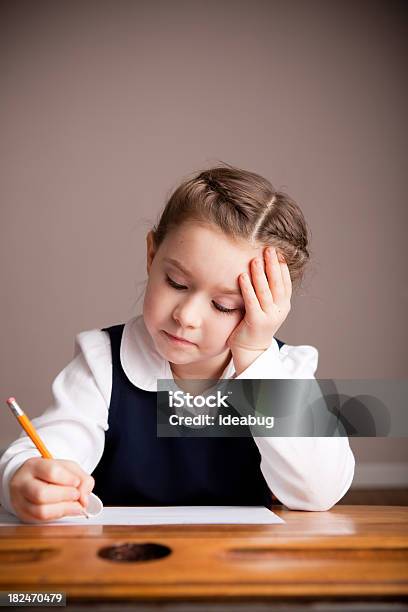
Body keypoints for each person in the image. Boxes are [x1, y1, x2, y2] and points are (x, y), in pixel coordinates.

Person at [0, 163, 355, 522]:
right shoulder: (103, 362)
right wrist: (22, 477)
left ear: (268, 309)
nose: (187, 315)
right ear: (152, 255)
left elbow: (318, 492)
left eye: (224, 305)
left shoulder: (283, 369)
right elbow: (45, 451)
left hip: (242, 569)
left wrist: (254, 357)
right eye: (176, 283)